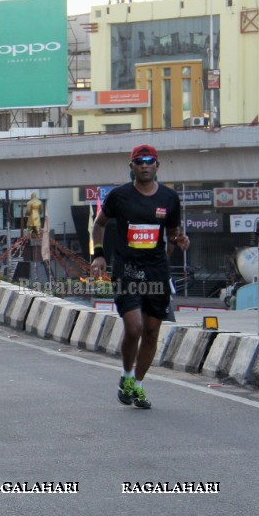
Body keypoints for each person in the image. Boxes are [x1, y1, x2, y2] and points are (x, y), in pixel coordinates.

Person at [92, 144, 189, 410]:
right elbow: (99, 224)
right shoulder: (119, 196)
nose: (144, 165)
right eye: (139, 161)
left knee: (151, 330)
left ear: (158, 165)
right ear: (132, 166)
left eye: (149, 161)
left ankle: (139, 383)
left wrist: (179, 241)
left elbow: (172, 234)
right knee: (133, 327)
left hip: (156, 271)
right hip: (126, 269)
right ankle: (125, 375)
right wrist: (98, 254)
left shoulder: (169, 199)